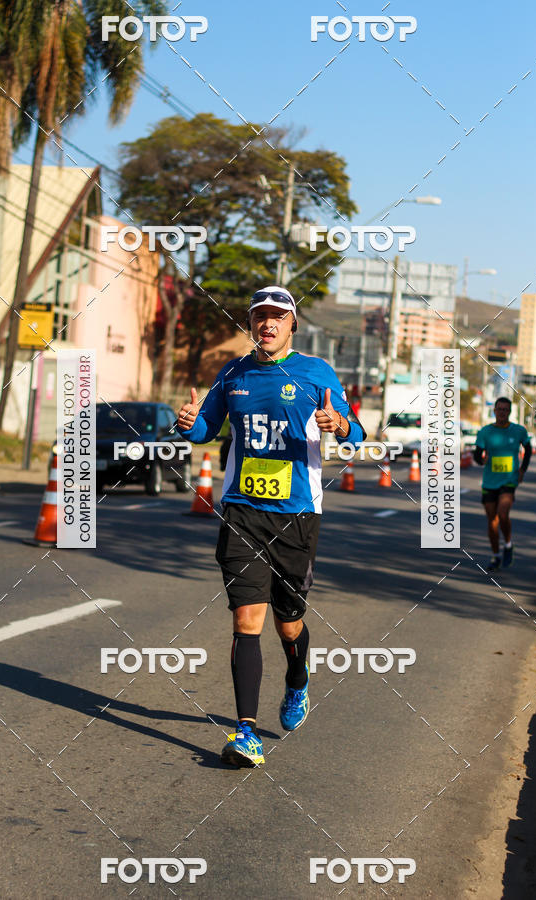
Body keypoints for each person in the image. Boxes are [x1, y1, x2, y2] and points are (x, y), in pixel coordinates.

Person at [176, 285, 365, 767]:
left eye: (277, 316)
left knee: (289, 623)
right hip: (241, 510)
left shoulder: (314, 372)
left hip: (296, 514)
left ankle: (298, 679)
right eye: (260, 315)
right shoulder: (234, 371)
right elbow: (206, 429)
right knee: (246, 621)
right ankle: (245, 732)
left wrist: (337, 425)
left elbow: (355, 433)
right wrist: (188, 423)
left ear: (292, 324)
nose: (268, 324)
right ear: (252, 322)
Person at [474, 397, 531, 571]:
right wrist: (482, 460)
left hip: (509, 480)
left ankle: (508, 544)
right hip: (490, 482)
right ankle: (496, 555)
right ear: (494, 411)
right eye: (499, 409)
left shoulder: (519, 431)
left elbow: (528, 449)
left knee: (502, 513)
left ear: (510, 412)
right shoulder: (485, 432)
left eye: (505, 410)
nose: (502, 412)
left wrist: (522, 470)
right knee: (492, 521)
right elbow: (477, 455)